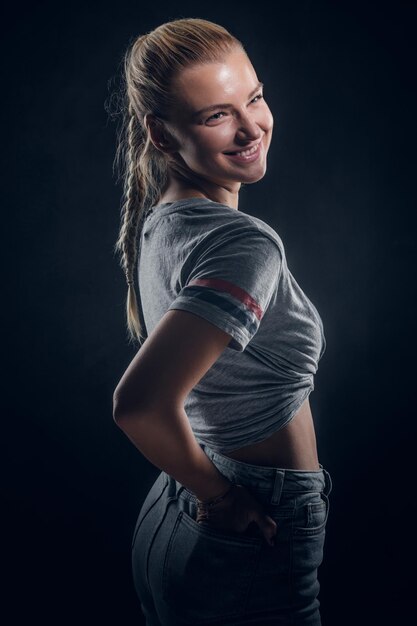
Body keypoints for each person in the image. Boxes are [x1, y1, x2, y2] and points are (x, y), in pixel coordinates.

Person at [110, 17, 333, 626]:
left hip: (173, 518)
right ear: (160, 134)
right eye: (216, 116)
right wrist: (224, 499)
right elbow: (139, 405)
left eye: (254, 98)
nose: (251, 127)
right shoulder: (245, 246)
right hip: (245, 523)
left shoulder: (164, 218)